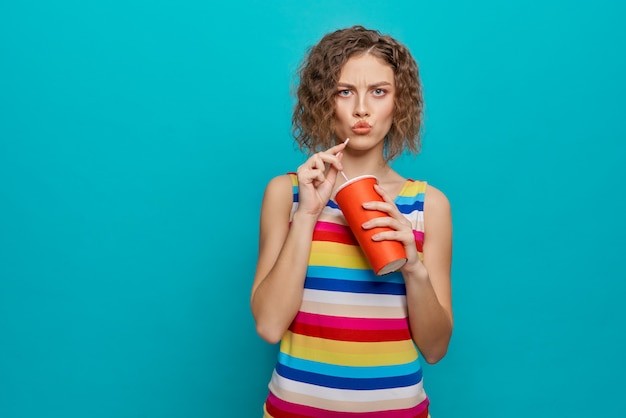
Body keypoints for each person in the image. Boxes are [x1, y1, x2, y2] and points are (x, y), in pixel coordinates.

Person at [251, 25, 453, 418]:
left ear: (399, 102)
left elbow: (435, 348)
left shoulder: (428, 204)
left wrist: (414, 268)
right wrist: (308, 214)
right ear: (324, 101)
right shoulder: (286, 193)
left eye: (379, 91)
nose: (362, 109)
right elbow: (270, 326)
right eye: (345, 92)